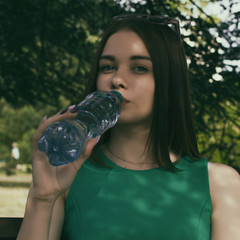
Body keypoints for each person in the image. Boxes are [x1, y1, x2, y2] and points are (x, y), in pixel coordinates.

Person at [17, 14, 240, 240]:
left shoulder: (219, 183)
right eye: (108, 66)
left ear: (170, 84)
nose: (116, 79)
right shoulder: (66, 176)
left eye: (140, 68)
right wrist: (41, 198)